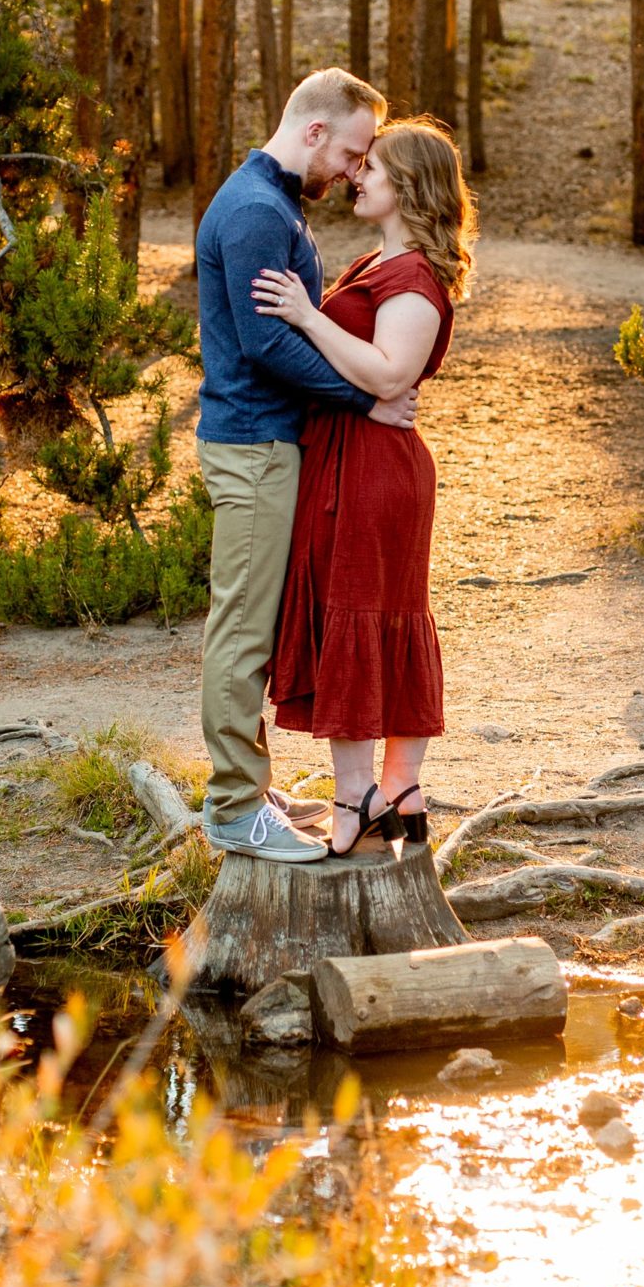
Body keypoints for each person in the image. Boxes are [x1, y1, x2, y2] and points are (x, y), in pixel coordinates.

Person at [194, 68, 419, 862]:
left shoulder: (272, 203)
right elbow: (265, 343)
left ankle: (246, 789)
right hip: (253, 444)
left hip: (265, 443)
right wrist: (366, 402)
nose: (356, 172)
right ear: (314, 132)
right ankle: (230, 807)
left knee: (252, 623)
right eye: (354, 153)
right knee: (243, 630)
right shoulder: (258, 211)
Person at [251, 119, 476, 854]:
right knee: (365, 614)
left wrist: (308, 316)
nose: (356, 175)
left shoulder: (413, 278)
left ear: (408, 185)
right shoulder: (374, 264)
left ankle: (358, 799)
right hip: (349, 454)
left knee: (360, 612)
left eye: (370, 166)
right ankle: (400, 794)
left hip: (376, 468)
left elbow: (388, 375)